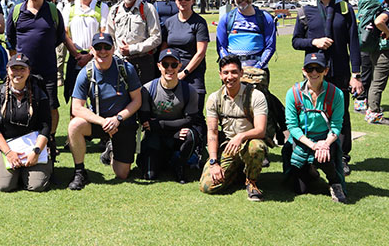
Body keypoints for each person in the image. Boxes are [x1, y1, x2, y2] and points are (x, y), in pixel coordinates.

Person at [291, 0, 362, 175]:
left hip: (339, 70)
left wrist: (355, 74)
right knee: (312, 112)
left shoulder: (345, 8)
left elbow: (354, 43)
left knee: (341, 115)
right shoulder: (306, 10)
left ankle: (341, 155)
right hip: (314, 70)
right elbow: (295, 41)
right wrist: (314, 42)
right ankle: (312, 152)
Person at [67, 33, 142, 190]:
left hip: (122, 122)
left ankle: (112, 149)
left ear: (113, 49)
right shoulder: (86, 73)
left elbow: (137, 100)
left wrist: (118, 118)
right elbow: (76, 107)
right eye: (98, 47)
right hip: (99, 123)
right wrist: (103, 121)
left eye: (106, 47)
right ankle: (80, 172)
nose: (103, 51)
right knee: (75, 125)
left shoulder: (126, 69)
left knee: (122, 174)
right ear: (92, 50)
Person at [5, 0, 66, 152]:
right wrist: (16, 66)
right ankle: (26, 136)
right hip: (23, 72)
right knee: (23, 103)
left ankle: (51, 138)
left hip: (47, 69)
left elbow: (59, 36)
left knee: (51, 105)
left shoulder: (53, 11)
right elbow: (10, 40)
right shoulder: (17, 11)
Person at [199, 55, 268, 201]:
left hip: (249, 143)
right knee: (207, 186)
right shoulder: (214, 98)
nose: (230, 77)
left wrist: (241, 136)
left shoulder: (256, 96)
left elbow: (261, 130)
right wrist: (213, 162)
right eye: (226, 73)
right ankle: (237, 173)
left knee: (257, 147)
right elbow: (212, 132)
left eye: (234, 72)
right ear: (220, 74)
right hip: (227, 147)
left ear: (241, 73)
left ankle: (251, 182)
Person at [282, 53, 347, 203]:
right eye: (310, 69)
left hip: (325, 138)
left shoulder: (336, 94)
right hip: (302, 139)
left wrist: (324, 144)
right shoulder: (293, 93)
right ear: (304, 71)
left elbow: (337, 126)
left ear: (326, 70)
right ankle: (310, 171)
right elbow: (292, 126)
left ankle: (334, 182)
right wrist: (312, 145)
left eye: (318, 68)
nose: (314, 73)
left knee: (325, 156)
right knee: (300, 189)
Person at [0, 54, 52, 192]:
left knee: (37, 185)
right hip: (5, 146)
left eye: (22, 69)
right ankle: (15, 173)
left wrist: (36, 151)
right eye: (14, 68)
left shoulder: (40, 94)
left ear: (29, 71)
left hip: (32, 146)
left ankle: (28, 171)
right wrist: (9, 153)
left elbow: (45, 126)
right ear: (8, 69)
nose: (18, 73)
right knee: (4, 185)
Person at [138, 49, 204, 183]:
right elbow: (145, 122)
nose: (169, 68)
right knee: (150, 175)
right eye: (165, 64)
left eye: (174, 65)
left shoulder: (189, 91)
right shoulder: (147, 89)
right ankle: (164, 159)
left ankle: (180, 165)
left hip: (176, 135)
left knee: (190, 135)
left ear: (180, 66)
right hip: (156, 136)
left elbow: (190, 120)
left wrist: (160, 124)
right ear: (159, 66)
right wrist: (171, 127)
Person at [61, 0, 109, 104]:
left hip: (96, 59)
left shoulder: (102, 7)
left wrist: (90, 55)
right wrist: (77, 55)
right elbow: (65, 34)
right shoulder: (69, 8)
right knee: (75, 101)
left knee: (98, 101)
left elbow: (104, 33)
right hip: (74, 59)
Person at [162, 0, 210, 111]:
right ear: (175, 0)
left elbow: (201, 52)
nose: (183, 1)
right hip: (171, 73)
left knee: (195, 114)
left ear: (193, 1)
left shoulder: (199, 23)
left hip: (193, 74)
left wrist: (184, 73)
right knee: (172, 112)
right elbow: (163, 50)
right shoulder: (169, 23)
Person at [106, 0, 161, 83]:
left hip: (143, 62)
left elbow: (156, 37)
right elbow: (110, 37)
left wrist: (132, 49)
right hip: (120, 62)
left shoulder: (147, 8)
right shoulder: (114, 10)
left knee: (143, 97)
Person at [216, 0, 277, 79]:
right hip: (233, 73)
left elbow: (270, 47)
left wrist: (258, 67)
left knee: (258, 95)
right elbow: (221, 47)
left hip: (258, 72)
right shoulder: (227, 19)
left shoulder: (265, 18)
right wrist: (231, 67)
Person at [364, 0, 389, 125]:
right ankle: (373, 113)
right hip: (385, 52)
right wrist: (388, 32)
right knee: (378, 83)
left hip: (377, 50)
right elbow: (379, 22)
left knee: (377, 81)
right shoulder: (387, 11)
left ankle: (371, 110)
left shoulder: (381, 8)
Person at [55, 0, 78, 86]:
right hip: (62, 33)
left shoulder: (78, 4)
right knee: (61, 56)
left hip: (75, 33)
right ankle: (59, 77)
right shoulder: (61, 4)